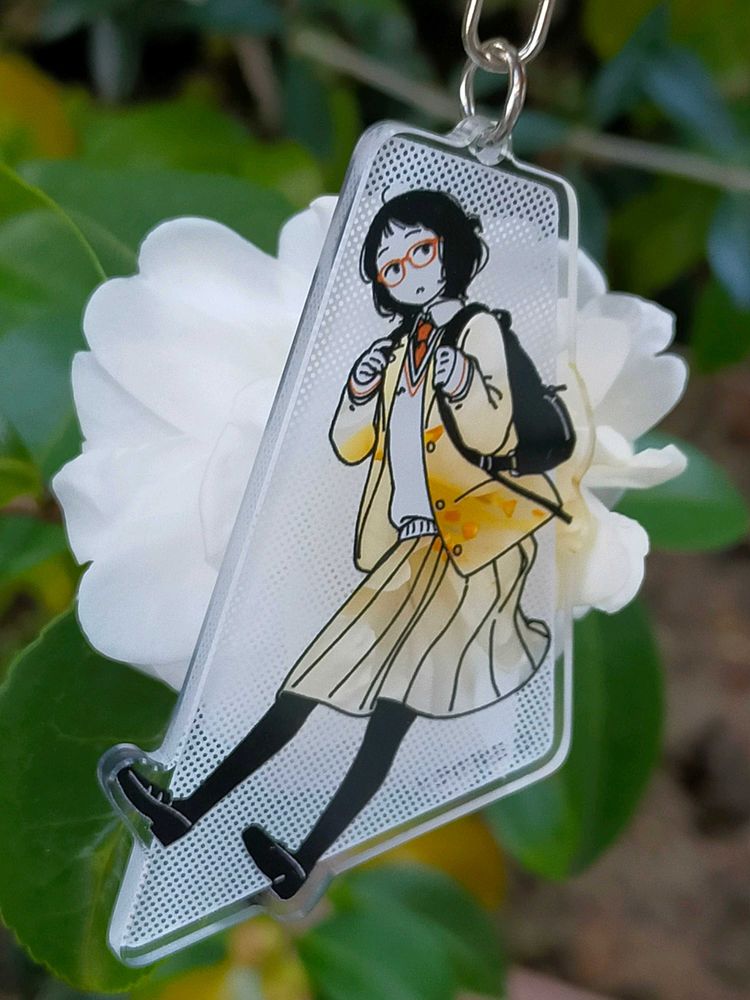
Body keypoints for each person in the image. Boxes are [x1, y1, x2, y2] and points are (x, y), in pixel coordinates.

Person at [116, 189, 565, 900]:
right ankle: (185, 815)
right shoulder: (396, 350)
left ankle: (301, 854)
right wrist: (358, 394)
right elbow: (350, 447)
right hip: (405, 551)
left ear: (452, 250)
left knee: (389, 721)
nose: (409, 271)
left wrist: (463, 384)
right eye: (391, 266)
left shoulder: (481, 330)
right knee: (305, 686)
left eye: (421, 251)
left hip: (469, 553)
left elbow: (492, 431)